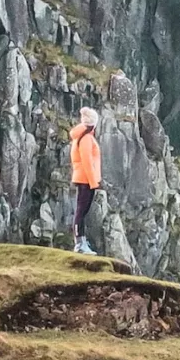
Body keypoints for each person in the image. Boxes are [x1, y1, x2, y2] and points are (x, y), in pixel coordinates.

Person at [70, 104, 102, 253]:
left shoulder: (81, 137)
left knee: (82, 211)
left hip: (84, 179)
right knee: (81, 212)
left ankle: (81, 242)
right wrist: (93, 181)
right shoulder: (86, 139)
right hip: (85, 180)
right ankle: (79, 243)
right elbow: (87, 161)